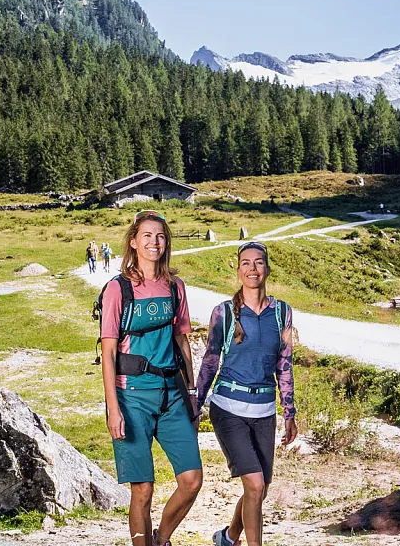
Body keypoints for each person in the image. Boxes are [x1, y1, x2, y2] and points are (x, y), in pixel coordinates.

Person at [98, 211, 202, 546]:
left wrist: (192, 391)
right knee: (142, 490)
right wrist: (113, 409)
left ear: (166, 242)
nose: (153, 242)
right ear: (133, 241)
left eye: (159, 236)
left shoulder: (176, 287)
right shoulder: (118, 289)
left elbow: (182, 341)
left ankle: (161, 538)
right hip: (131, 398)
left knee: (192, 480)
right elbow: (109, 353)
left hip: (172, 395)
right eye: (146, 236)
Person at [194, 242, 296, 546]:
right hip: (228, 409)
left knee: (261, 487)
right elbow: (210, 360)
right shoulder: (223, 312)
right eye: (246, 263)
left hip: (264, 412)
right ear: (238, 270)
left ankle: (227, 537)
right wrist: (196, 404)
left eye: (259, 263)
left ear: (267, 268)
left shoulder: (283, 313)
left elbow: (285, 364)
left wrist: (289, 412)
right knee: (253, 485)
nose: (252, 269)